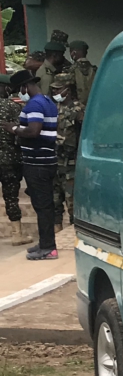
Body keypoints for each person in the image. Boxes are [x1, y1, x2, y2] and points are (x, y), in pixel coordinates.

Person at [1, 70, 59, 260]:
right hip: (47, 160)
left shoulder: (34, 104)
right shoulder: (48, 101)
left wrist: (14, 128)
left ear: (26, 87)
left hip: (38, 163)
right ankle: (44, 243)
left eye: (20, 89)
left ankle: (48, 248)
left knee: (42, 206)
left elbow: (34, 131)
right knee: (43, 204)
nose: (19, 93)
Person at [0, 75, 32, 245]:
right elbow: (22, 131)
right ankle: (16, 234)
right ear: (5, 88)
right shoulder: (13, 107)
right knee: (11, 196)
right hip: (10, 160)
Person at [50, 73, 82, 229]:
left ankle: (71, 236)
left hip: (71, 164)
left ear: (67, 90)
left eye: (58, 89)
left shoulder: (78, 109)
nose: (55, 93)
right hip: (54, 163)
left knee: (72, 204)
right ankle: (57, 234)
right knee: (55, 202)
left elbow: (83, 135)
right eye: (54, 90)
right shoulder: (52, 108)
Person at [68, 40, 97, 107]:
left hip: (77, 109)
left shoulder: (70, 70)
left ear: (74, 52)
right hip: (93, 107)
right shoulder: (95, 69)